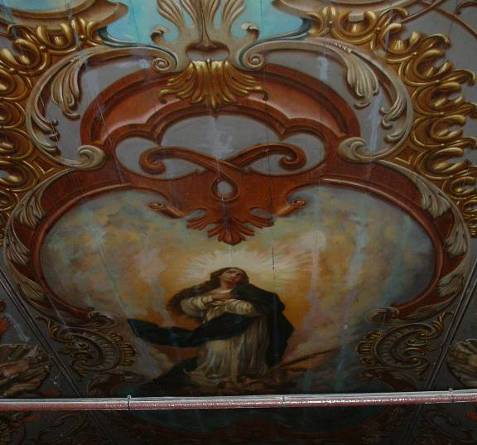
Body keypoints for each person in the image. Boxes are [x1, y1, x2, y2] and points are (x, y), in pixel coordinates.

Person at [128, 267, 293, 390]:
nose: (236, 275)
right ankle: (217, 381)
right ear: (219, 275)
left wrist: (230, 303)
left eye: (240, 274)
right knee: (217, 354)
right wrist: (211, 298)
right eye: (231, 271)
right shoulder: (209, 292)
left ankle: (241, 380)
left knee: (244, 356)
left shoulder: (251, 292)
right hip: (217, 331)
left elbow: (258, 309)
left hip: (249, 333)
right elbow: (188, 306)